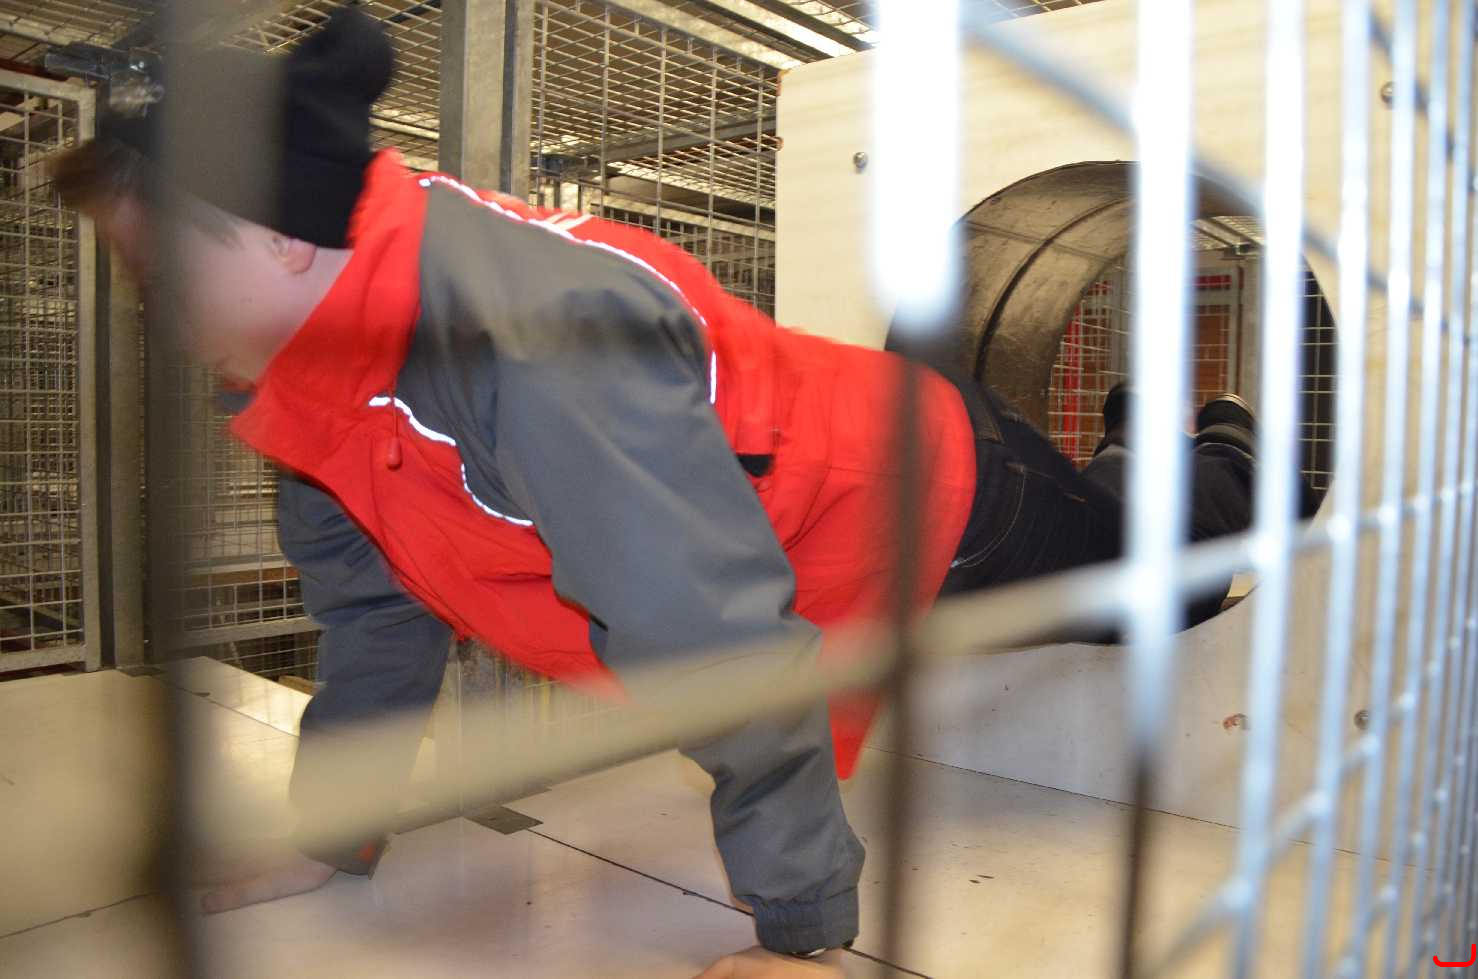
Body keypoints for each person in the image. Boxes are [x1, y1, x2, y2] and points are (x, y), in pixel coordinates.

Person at [52, 10, 1261, 977]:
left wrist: (801, 930)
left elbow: (707, 637)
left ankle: (1228, 441)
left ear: (272, 235)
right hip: (817, 502)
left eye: (161, 272)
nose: (158, 312)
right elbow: (374, 616)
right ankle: (1133, 434)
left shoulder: (534, 340)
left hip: (931, 483)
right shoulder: (312, 381)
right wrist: (326, 837)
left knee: (1163, 585)